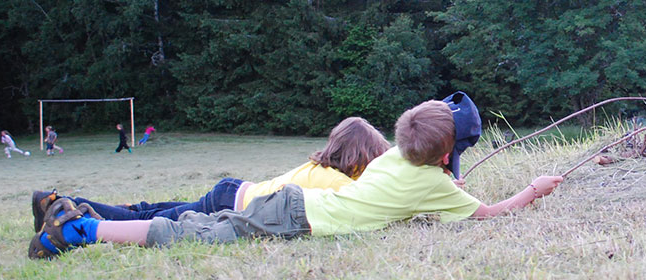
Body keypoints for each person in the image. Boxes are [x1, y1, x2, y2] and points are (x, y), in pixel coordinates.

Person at [27, 95, 564, 259]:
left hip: (284, 202)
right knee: (184, 228)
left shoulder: (393, 159)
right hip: (292, 216)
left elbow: (410, 183)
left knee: (180, 216)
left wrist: (448, 182)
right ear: (447, 157)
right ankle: (78, 229)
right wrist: (533, 192)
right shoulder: (431, 181)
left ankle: (75, 218)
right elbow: (489, 214)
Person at [31, 117, 388, 229]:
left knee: (150, 211)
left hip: (231, 191)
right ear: (359, 158)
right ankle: (68, 207)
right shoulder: (338, 181)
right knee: (155, 222)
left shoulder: (318, 166)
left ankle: (58, 202)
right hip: (230, 202)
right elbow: (365, 203)